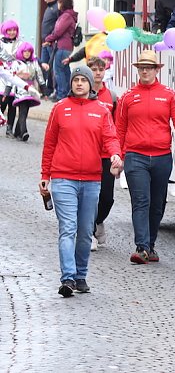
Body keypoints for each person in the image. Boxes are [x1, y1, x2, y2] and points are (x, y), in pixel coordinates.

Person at [39, 66, 122, 297]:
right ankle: (67, 278)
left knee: (85, 232)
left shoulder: (101, 110)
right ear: (71, 84)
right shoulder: (60, 109)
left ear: (89, 85)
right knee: (68, 229)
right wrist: (45, 176)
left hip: (92, 179)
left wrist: (115, 154)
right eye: (75, 80)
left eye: (82, 80)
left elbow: (110, 138)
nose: (78, 84)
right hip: (63, 178)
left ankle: (80, 275)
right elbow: (50, 144)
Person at [115, 50, 175, 264]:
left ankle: (151, 244)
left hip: (161, 157)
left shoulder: (168, 95)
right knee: (141, 201)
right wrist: (118, 156)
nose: (145, 71)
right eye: (141, 67)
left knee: (157, 204)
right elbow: (120, 129)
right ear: (137, 70)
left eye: (149, 67)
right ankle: (142, 247)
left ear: (157, 70)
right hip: (135, 157)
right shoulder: (128, 96)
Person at [87, 55, 118, 251]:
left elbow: (117, 126)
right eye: (94, 69)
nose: (98, 73)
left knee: (107, 198)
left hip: (107, 154)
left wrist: (118, 152)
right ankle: (88, 231)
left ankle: (98, 220)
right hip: (88, 152)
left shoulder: (111, 96)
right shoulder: (81, 93)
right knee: (90, 195)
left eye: (101, 69)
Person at [42, 0, 78, 101]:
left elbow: (58, 31)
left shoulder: (66, 16)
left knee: (58, 70)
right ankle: (68, 91)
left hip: (63, 46)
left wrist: (48, 39)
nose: (58, 4)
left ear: (63, 3)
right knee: (65, 70)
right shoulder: (67, 15)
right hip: (65, 46)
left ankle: (62, 94)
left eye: (59, 2)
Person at [10, 42, 45, 141]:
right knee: (23, 110)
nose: (27, 53)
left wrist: (44, 90)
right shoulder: (16, 63)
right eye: (25, 51)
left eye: (29, 51)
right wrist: (8, 92)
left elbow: (39, 76)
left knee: (25, 110)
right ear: (21, 52)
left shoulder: (34, 63)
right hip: (20, 89)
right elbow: (10, 77)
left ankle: (17, 131)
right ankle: (24, 132)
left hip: (31, 90)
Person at [1, 19, 23, 136]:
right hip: (2, 75)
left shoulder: (20, 43)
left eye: (14, 30)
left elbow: (27, 54)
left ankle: (9, 127)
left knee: (12, 104)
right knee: (2, 101)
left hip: (14, 75)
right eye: (9, 30)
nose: (12, 32)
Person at [40, 0, 60, 97]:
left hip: (51, 43)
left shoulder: (56, 8)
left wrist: (51, 39)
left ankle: (54, 90)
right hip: (45, 42)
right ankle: (47, 90)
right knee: (44, 66)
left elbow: (58, 26)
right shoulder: (49, 7)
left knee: (51, 67)